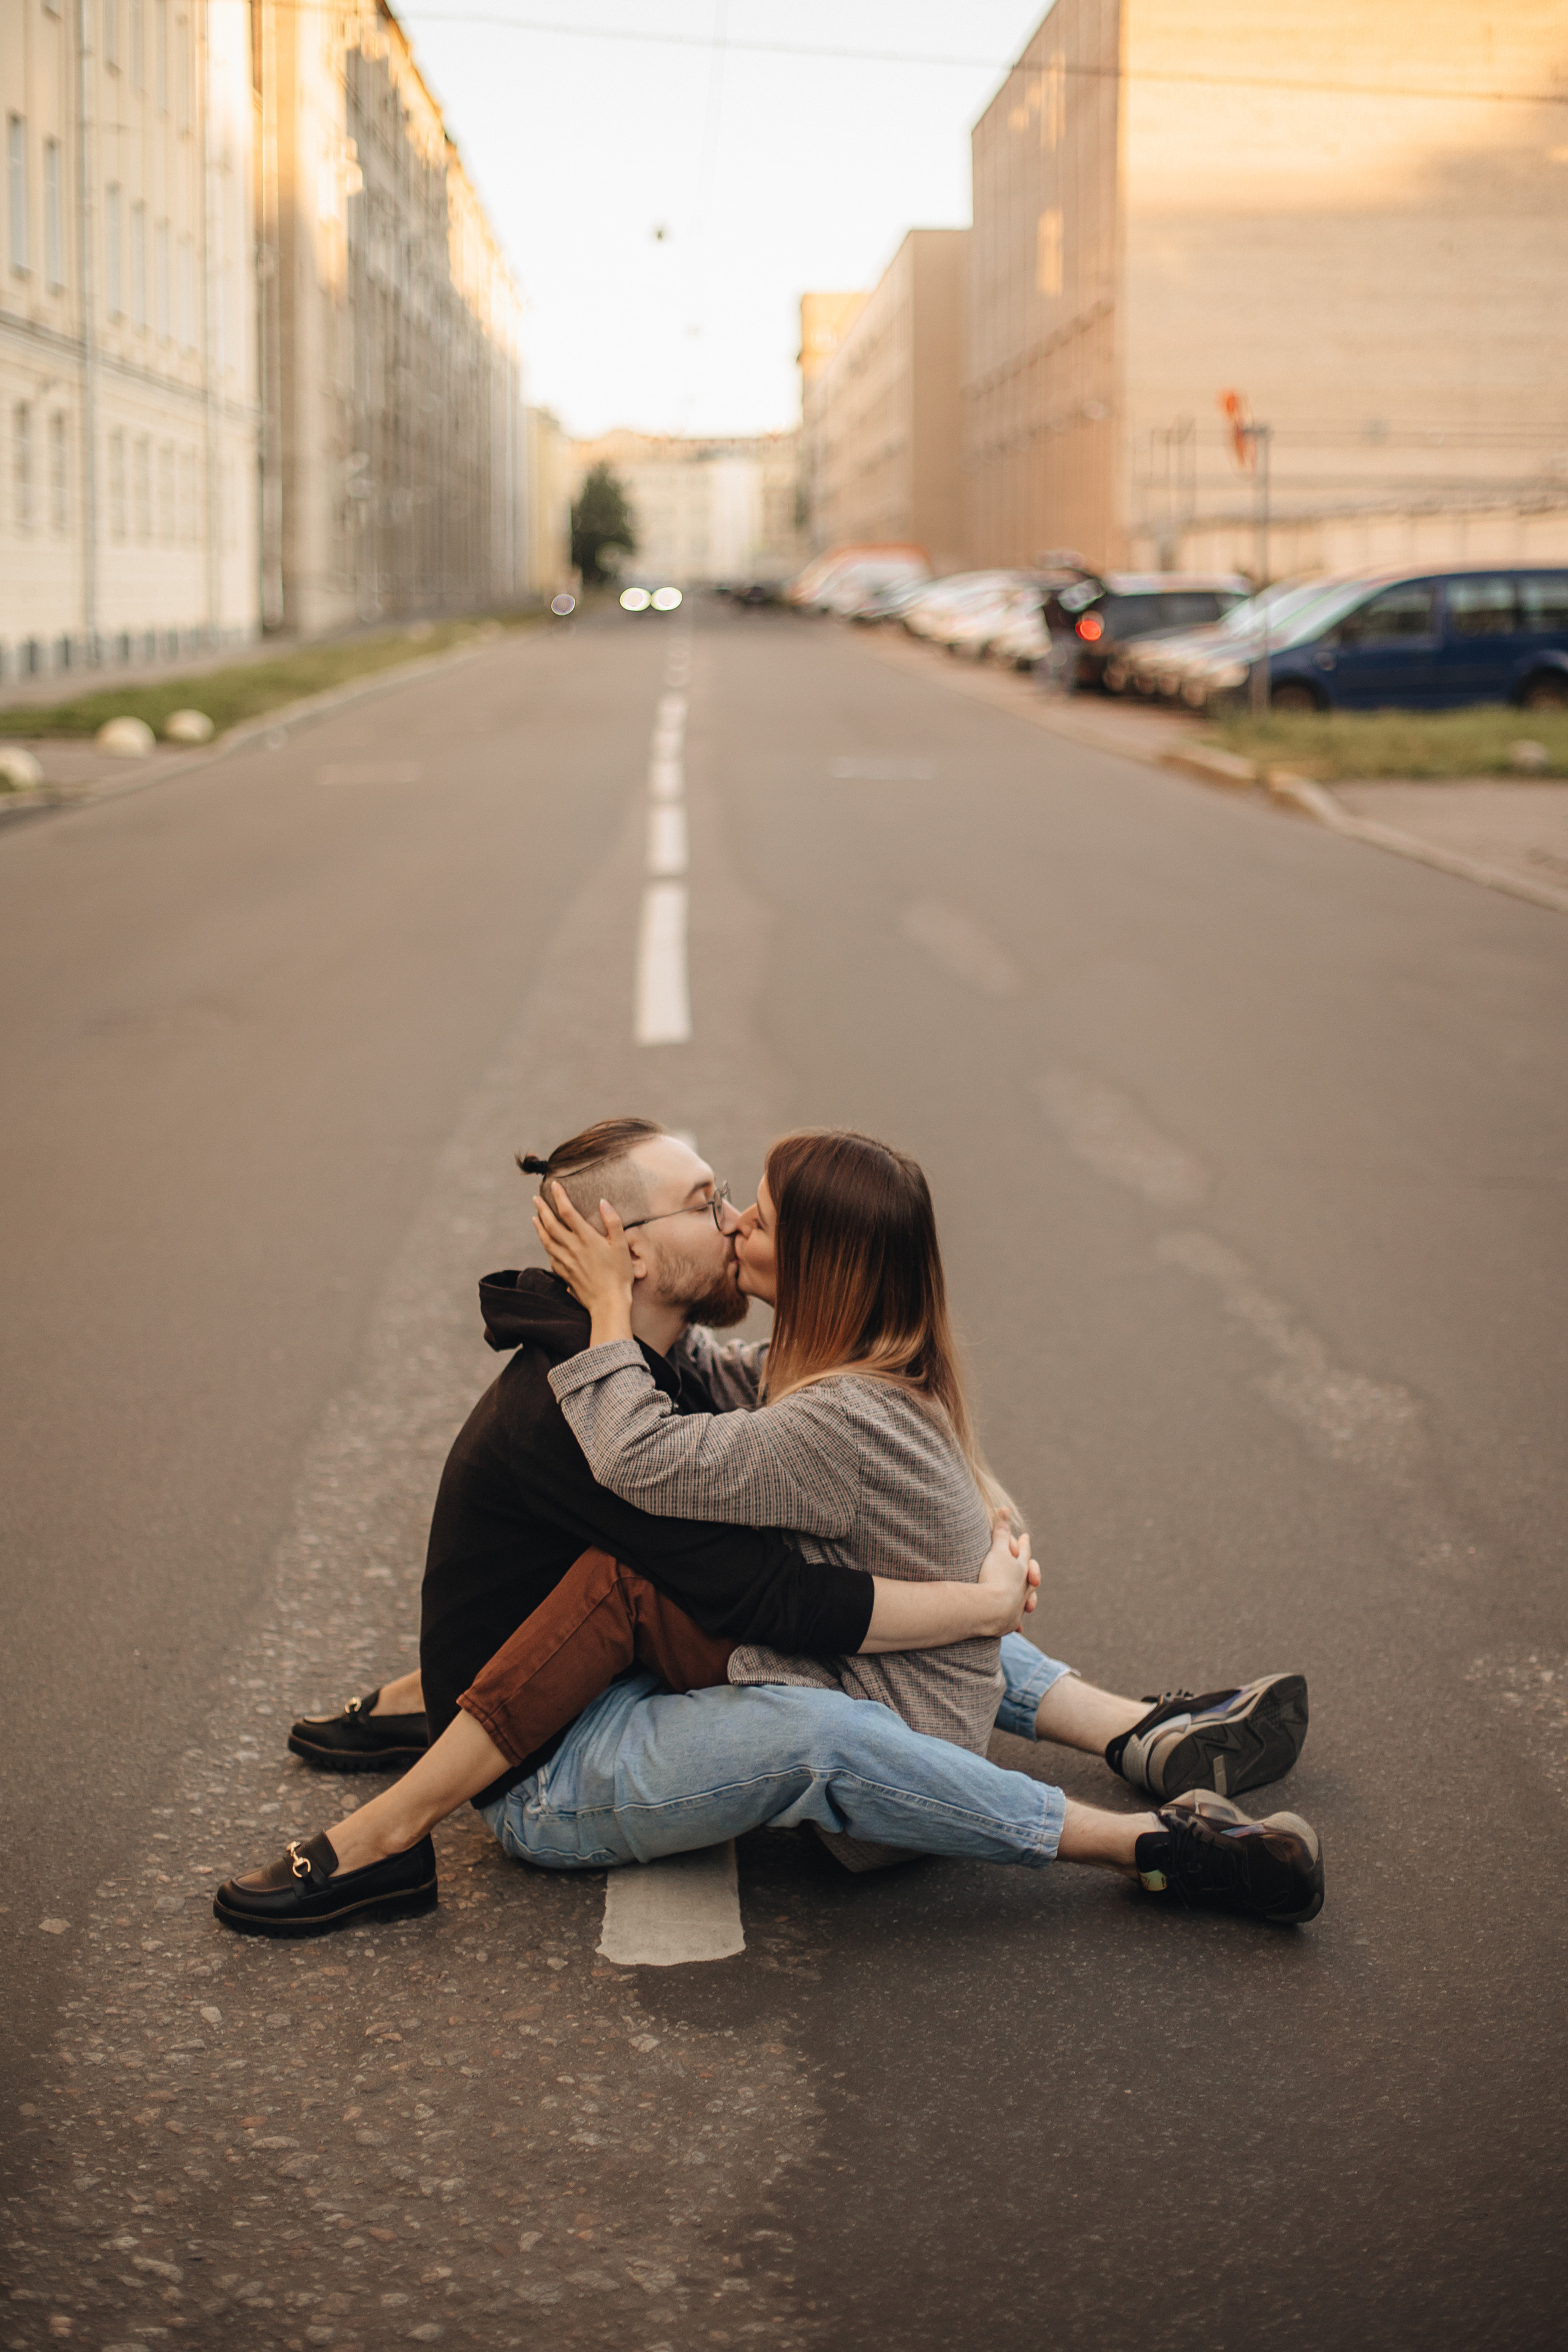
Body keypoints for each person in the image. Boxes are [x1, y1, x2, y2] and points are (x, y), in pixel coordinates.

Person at [216, 1124, 1321, 1936]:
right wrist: (982, 1595)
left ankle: (1141, 1733)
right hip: (555, 1770)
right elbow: (765, 1595)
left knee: (845, 1576)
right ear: (629, 1254)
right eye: (708, 1202)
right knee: (807, 1708)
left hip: (617, 1685)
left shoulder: (665, 1368)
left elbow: (821, 1435)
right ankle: (1153, 1840)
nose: (732, 1219)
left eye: (741, 1203)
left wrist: (969, 1501)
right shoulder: (593, 1411)